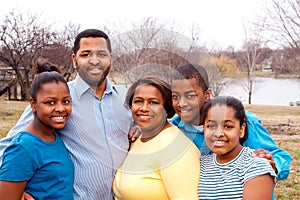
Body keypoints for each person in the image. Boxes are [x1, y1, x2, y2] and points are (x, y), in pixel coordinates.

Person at [0, 29, 133, 199]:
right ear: (74, 60)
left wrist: (137, 130)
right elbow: (10, 147)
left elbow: (146, 127)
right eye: (86, 54)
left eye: (101, 54)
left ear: (110, 59)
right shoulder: (57, 96)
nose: (94, 61)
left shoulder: (126, 97)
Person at [171, 63, 292, 181]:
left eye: (190, 96)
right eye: (175, 96)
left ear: (207, 95)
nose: (181, 103)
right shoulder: (175, 127)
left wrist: (273, 164)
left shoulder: (241, 120)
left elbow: (280, 157)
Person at [113, 76, 200, 200]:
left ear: (166, 108)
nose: (144, 108)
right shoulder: (138, 139)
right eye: (138, 101)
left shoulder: (177, 148)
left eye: (153, 102)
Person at [0, 58, 74, 199]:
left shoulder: (54, 137)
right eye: (50, 102)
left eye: (65, 101)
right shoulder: (23, 147)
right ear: (33, 105)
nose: (60, 108)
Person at [198, 96, 277, 199]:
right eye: (211, 126)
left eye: (228, 126)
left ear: (241, 130)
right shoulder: (202, 164)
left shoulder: (256, 166)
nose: (218, 133)